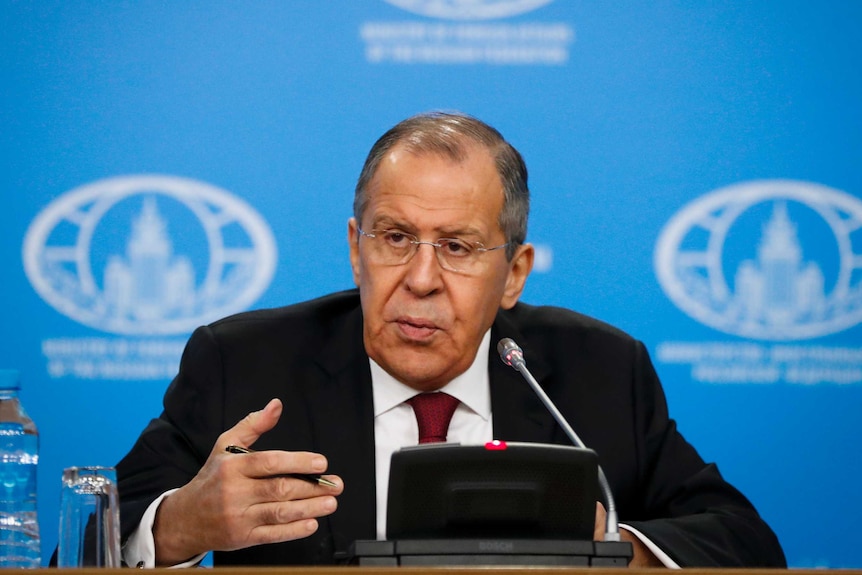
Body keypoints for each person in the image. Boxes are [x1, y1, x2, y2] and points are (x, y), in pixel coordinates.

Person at [116, 111, 786, 568]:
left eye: (459, 247)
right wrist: (181, 524)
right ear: (356, 249)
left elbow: (744, 541)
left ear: (514, 274)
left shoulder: (599, 371)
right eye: (396, 238)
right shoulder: (246, 364)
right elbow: (81, 547)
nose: (421, 279)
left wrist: (607, 545)